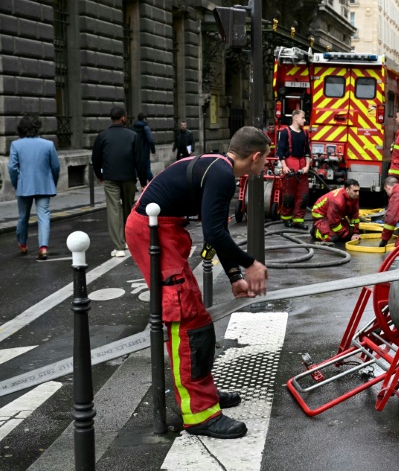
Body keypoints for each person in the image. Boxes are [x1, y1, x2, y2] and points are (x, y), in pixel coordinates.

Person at [124, 126, 270, 439]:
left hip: (163, 230)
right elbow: (215, 234)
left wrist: (234, 277)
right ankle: (199, 415)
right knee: (185, 320)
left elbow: (217, 230)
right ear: (255, 157)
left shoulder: (219, 168)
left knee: (198, 320)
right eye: (265, 162)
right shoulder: (222, 176)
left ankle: (206, 396)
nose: (263, 168)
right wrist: (251, 265)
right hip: (152, 233)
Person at [91, 106, 146, 258]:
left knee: (114, 210)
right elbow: (140, 161)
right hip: (128, 177)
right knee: (129, 209)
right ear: (123, 117)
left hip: (110, 178)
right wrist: (143, 181)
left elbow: (96, 159)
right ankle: (129, 240)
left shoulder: (102, 136)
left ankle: (119, 246)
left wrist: (99, 174)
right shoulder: (133, 135)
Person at [9, 116, 60, 260]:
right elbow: (55, 166)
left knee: (23, 216)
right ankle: (43, 247)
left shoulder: (16, 145)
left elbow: (12, 168)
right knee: (44, 216)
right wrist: (52, 183)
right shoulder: (48, 144)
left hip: (24, 185)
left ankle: (23, 243)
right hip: (44, 184)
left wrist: (16, 184)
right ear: (37, 127)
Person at [277, 110, 311, 229]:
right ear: (295, 118)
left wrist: (307, 166)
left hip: (302, 164)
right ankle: (286, 218)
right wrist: (284, 167)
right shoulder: (285, 132)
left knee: (303, 195)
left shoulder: (305, 133)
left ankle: (298, 220)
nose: (305, 120)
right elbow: (280, 151)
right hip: (290, 163)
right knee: (289, 195)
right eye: (303, 117)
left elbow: (307, 151)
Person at [311, 179, 362, 243]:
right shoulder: (337, 201)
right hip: (320, 214)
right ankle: (316, 231)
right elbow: (334, 224)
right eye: (355, 191)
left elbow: (355, 217)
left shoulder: (354, 197)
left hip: (333, 215)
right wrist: (348, 236)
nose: (358, 194)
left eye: (358, 191)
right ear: (347, 190)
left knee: (347, 231)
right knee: (334, 237)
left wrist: (355, 233)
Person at [132, 112, 156, 181]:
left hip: (136, 151)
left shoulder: (134, 127)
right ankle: (152, 183)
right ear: (144, 119)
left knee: (136, 168)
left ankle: (133, 183)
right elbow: (150, 140)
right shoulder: (146, 128)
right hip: (144, 151)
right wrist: (153, 150)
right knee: (147, 168)